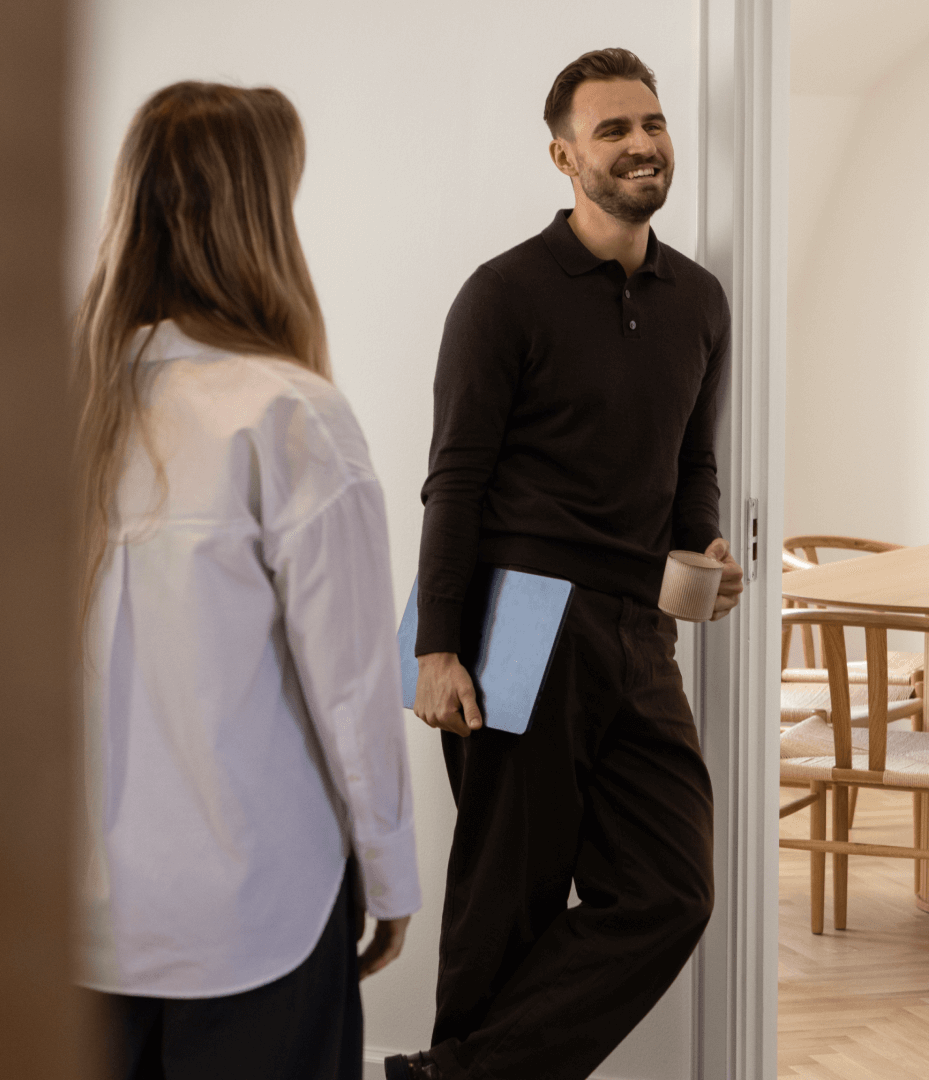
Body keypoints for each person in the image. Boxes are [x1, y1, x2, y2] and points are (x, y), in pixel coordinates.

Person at [387, 47, 743, 1080]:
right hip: (516, 613)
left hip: (639, 623)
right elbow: (454, 480)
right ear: (564, 156)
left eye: (652, 122)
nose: (642, 144)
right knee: (508, 898)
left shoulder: (700, 299)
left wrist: (701, 547)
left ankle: (447, 1077)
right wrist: (437, 648)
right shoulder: (503, 294)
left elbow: (694, 460)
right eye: (612, 129)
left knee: (673, 891)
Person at [74, 81, 419, 1080]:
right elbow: (353, 691)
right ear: (260, 221)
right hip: (254, 920)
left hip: (72, 922)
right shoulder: (290, 416)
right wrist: (392, 877)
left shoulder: (51, 411)